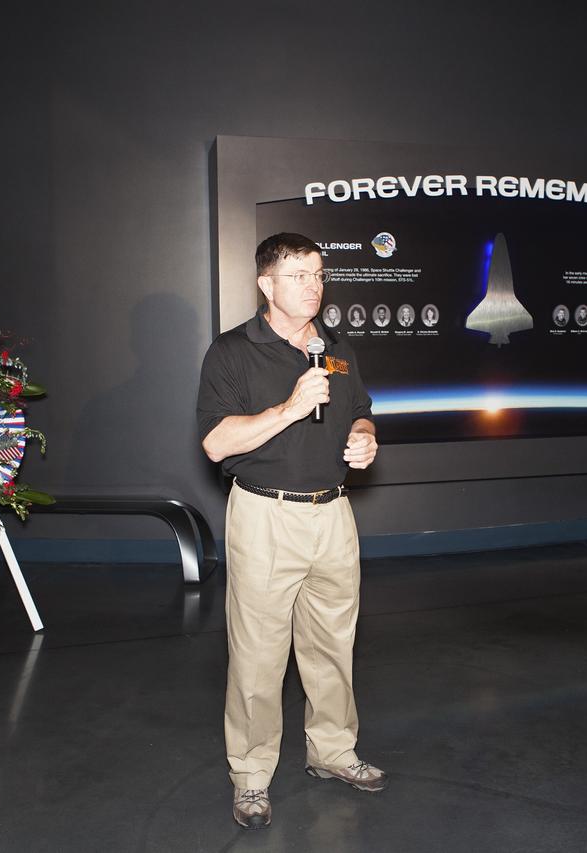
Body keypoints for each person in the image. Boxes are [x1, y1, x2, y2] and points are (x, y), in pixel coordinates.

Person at [197, 232, 383, 830]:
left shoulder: (336, 349)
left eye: (319, 275)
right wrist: (289, 408)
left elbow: (360, 410)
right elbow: (217, 443)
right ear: (266, 284)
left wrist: (364, 438)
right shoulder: (232, 351)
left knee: (332, 646)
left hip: (333, 514)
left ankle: (333, 751)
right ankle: (251, 776)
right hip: (265, 516)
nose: (313, 286)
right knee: (258, 656)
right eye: (299, 276)